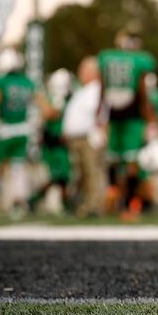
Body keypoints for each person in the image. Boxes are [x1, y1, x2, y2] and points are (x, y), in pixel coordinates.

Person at [98, 26, 158, 219]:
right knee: (132, 161)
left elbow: (102, 87)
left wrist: (99, 113)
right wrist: (149, 116)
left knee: (114, 158)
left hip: (112, 110)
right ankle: (130, 203)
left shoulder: (106, 57)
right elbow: (142, 91)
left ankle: (114, 196)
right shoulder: (140, 60)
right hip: (132, 110)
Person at [0, 47, 36, 218]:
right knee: (18, 168)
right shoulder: (26, 82)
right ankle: (19, 203)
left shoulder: (0, 81)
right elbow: (36, 102)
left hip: (5, 128)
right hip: (23, 129)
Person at [62, 57, 106, 218]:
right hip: (77, 138)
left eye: (84, 69)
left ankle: (93, 205)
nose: (81, 73)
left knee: (91, 172)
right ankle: (82, 204)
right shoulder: (83, 90)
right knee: (81, 174)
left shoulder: (96, 90)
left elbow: (100, 114)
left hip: (88, 137)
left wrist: (99, 134)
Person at [30, 68, 73, 213]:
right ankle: (36, 198)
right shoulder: (53, 98)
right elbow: (49, 114)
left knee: (63, 176)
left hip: (62, 142)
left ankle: (64, 202)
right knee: (58, 176)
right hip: (52, 143)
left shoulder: (64, 98)